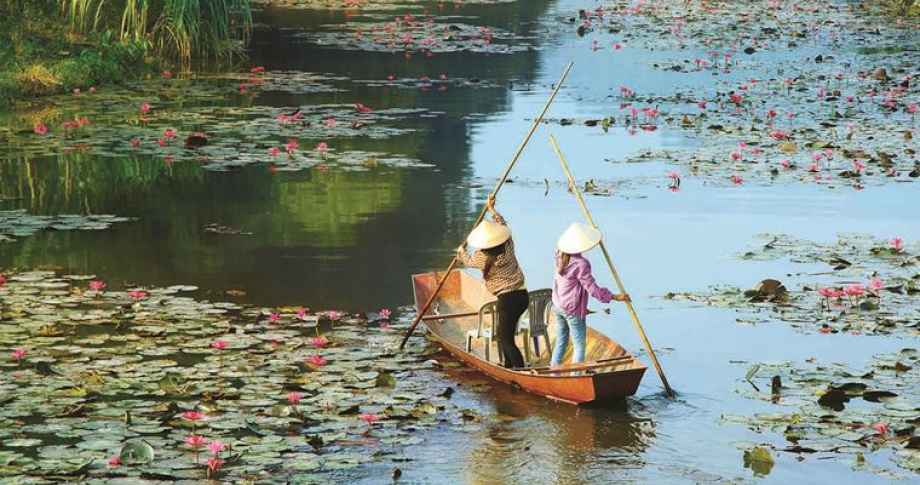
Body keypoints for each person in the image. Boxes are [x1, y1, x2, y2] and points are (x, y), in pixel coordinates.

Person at [457, 195, 528, 369]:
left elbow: (466, 261)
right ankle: (508, 367)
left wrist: (461, 251)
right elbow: (503, 225)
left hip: (507, 300)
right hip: (522, 295)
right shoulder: (508, 246)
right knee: (505, 335)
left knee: (505, 338)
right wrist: (492, 209)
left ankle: (520, 370)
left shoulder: (483, 257)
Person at [551, 223, 629, 367]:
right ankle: (575, 376)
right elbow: (592, 289)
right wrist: (615, 297)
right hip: (572, 310)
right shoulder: (581, 264)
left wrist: (593, 232)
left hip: (557, 305)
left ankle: (554, 368)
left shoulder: (559, 254)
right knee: (579, 345)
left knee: (561, 341)